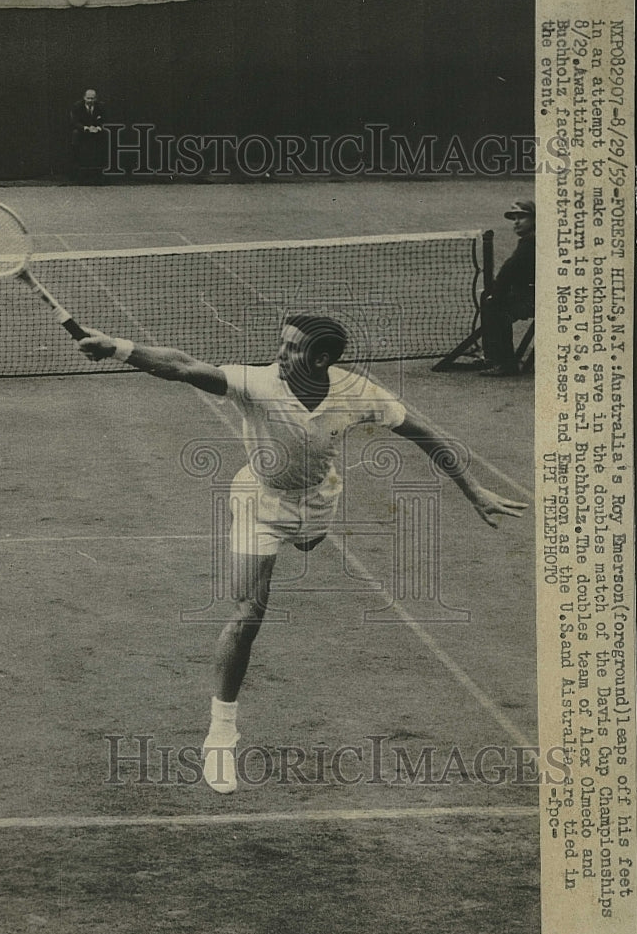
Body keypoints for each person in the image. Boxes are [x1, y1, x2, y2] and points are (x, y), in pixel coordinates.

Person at [79, 315, 527, 793]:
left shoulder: (358, 392)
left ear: (321, 360)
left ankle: (307, 533)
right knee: (248, 613)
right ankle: (221, 736)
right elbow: (183, 367)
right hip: (259, 503)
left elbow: (425, 436)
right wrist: (118, 348)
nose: (279, 354)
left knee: (310, 541)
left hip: (319, 499)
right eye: (281, 344)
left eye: (291, 348)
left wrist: (474, 489)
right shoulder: (257, 382)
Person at [480, 200, 536, 377]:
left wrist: (496, 295)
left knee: (494, 306)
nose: (517, 222)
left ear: (535, 219)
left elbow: (508, 271)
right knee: (493, 301)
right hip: (537, 295)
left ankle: (505, 363)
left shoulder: (530, 242)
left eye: (522, 217)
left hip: (536, 300)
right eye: (514, 218)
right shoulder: (535, 238)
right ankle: (494, 357)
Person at [68, 88, 104, 180]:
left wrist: (98, 128)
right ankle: (76, 165)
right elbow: (74, 121)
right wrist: (86, 128)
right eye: (88, 98)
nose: (90, 100)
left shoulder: (101, 106)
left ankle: (102, 167)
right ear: (84, 97)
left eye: (92, 98)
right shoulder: (77, 106)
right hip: (82, 130)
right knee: (75, 134)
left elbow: (105, 119)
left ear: (95, 99)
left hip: (97, 130)